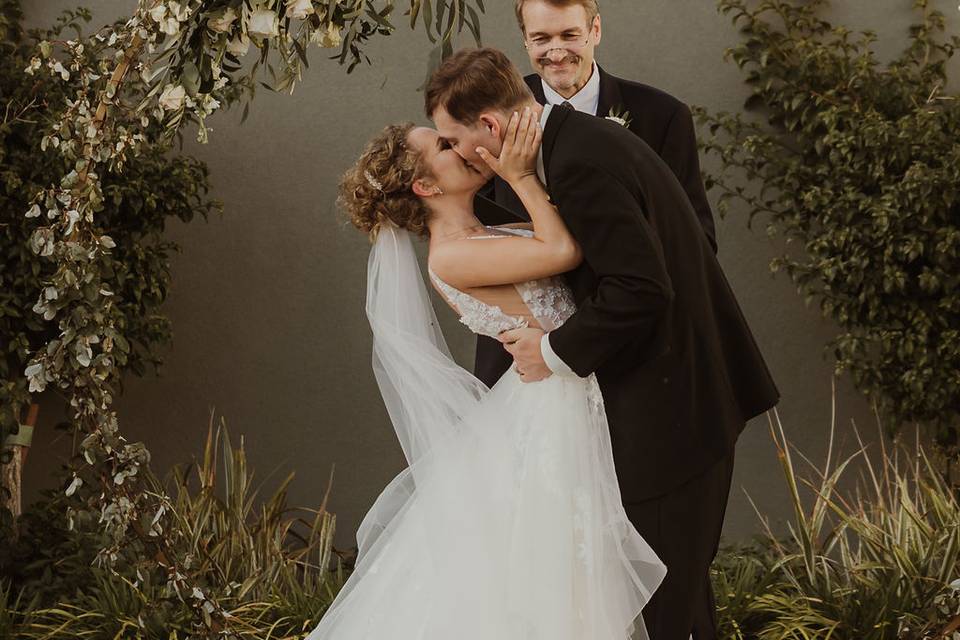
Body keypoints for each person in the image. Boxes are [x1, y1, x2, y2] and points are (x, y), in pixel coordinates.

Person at [426, 47, 780, 640]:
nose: (457, 153)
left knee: (667, 609)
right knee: (680, 605)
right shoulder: (578, 141)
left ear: (490, 127)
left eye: (453, 139)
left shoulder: (578, 163)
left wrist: (553, 351)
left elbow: (641, 288)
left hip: (671, 415)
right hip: (680, 398)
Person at [306, 109, 666, 639]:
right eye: (446, 147)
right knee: (558, 576)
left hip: (561, 390)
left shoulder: (487, 230)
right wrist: (520, 175)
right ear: (425, 185)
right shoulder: (451, 257)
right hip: (552, 407)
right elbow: (564, 249)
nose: (463, 147)